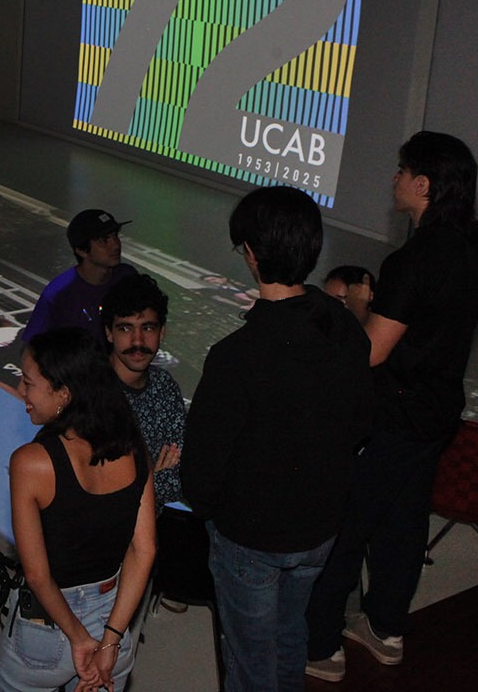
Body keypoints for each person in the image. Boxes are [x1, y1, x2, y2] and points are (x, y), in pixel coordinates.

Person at [305, 132, 478, 682]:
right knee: (404, 522)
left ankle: (320, 644)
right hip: (438, 411)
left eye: (402, 170)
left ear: (424, 184)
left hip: (393, 415)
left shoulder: (412, 260)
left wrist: (360, 308)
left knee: (349, 524)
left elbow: (373, 351)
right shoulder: (477, 251)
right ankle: (385, 628)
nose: (395, 178)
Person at [181, 185, 373, 692]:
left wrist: (210, 510)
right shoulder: (345, 328)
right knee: (291, 635)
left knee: (250, 661)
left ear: (251, 253)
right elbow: (361, 421)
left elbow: (204, 466)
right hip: (321, 527)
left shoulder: (236, 357)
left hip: (251, 537)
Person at [0, 327, 156, 692]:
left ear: (64, 394)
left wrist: (79, 638)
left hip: (46, 633)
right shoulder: (133, 448)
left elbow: (37, 575)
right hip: (113, 621)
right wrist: (109, 641)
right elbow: (144, 551)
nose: (21, 391)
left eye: (28, 382)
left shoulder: (30, 463)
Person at [101, 273, 184, 510]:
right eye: (125, 328)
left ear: (162, 332)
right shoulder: (89, 392)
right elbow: (100, 492)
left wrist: (146, 483)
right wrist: (156, 479)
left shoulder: (164, 386)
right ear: (109, 333)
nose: (137, 341)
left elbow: (181, 477)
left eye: (147, 327)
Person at [22, 209, 137, 340]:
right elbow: (32, 346)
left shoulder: (127, 276)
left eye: (115, 235)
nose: (115, 245)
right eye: (103, 240)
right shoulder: (59, 293)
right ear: (82, 250)